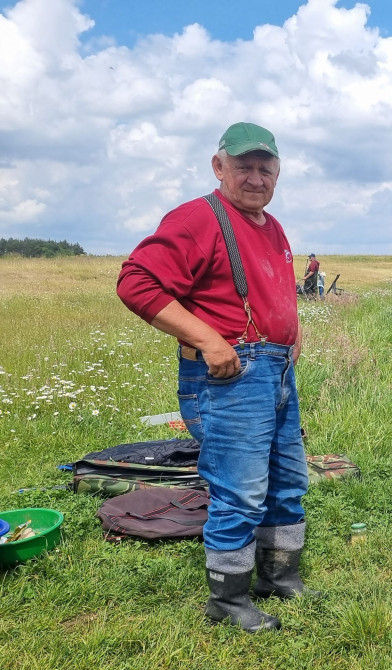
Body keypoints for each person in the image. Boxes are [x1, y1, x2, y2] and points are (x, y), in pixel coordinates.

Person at [116, 122, 315, 633]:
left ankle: (279, 576)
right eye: (243, 166)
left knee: (288, 481)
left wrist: (291, 332)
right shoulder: (196, 219)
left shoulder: (270, 226)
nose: (255, 177)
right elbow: (136, 282)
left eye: (265, 168)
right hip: (233, 376)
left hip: (275, 371)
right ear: (218, 166)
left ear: (277, 173)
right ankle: (227, 601)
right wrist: (208, 339)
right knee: (241, 490)